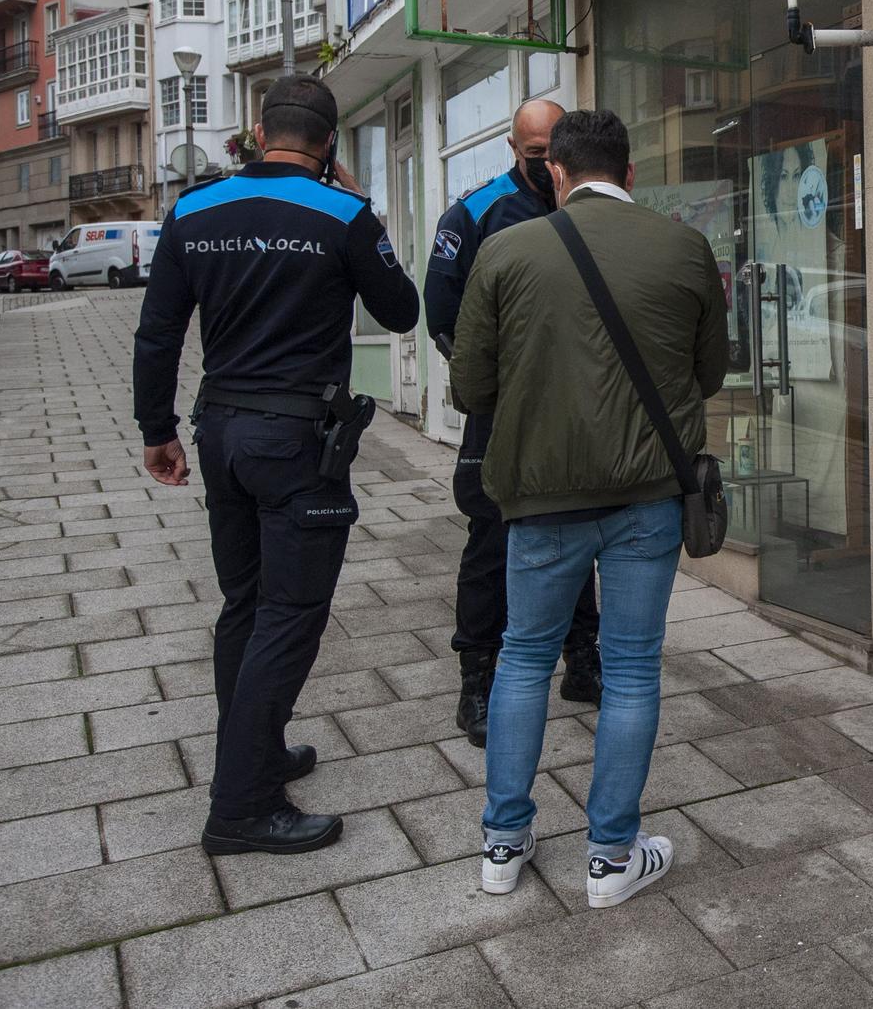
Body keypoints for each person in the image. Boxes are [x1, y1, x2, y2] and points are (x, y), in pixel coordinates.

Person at [134, 75, 418, 856]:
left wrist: (156, 429)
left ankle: (254, 752)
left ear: (259, 133)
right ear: (328, 145)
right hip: (296, 444)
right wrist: (367, 212)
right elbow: (401, 309)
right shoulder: (343, 213)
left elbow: (158, 332)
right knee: (289, 615)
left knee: (245, 604)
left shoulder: (192, 211)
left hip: (219, 432)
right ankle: (242, 805)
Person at [451, 108, 727, 909]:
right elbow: (708, 372)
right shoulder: (684, 246)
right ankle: (610, 856)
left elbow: (471, 387)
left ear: (558, 174)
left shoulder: (505, 250)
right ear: (630, 173)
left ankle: (503, 844)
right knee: (634, 665)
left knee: (523, 656)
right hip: (647, 496)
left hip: (541, 500)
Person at [426, 97, 602, 747]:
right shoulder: (477, 212)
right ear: (514, 148)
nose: (550, 167)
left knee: (580, 529)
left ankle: (582, 662)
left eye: (558, 155)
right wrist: (494, 381)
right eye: (537, 157)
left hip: (579, 408)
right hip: (502, 413)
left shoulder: (587, 208)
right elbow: (441, 312)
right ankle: (477, 680)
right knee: (492, 542)